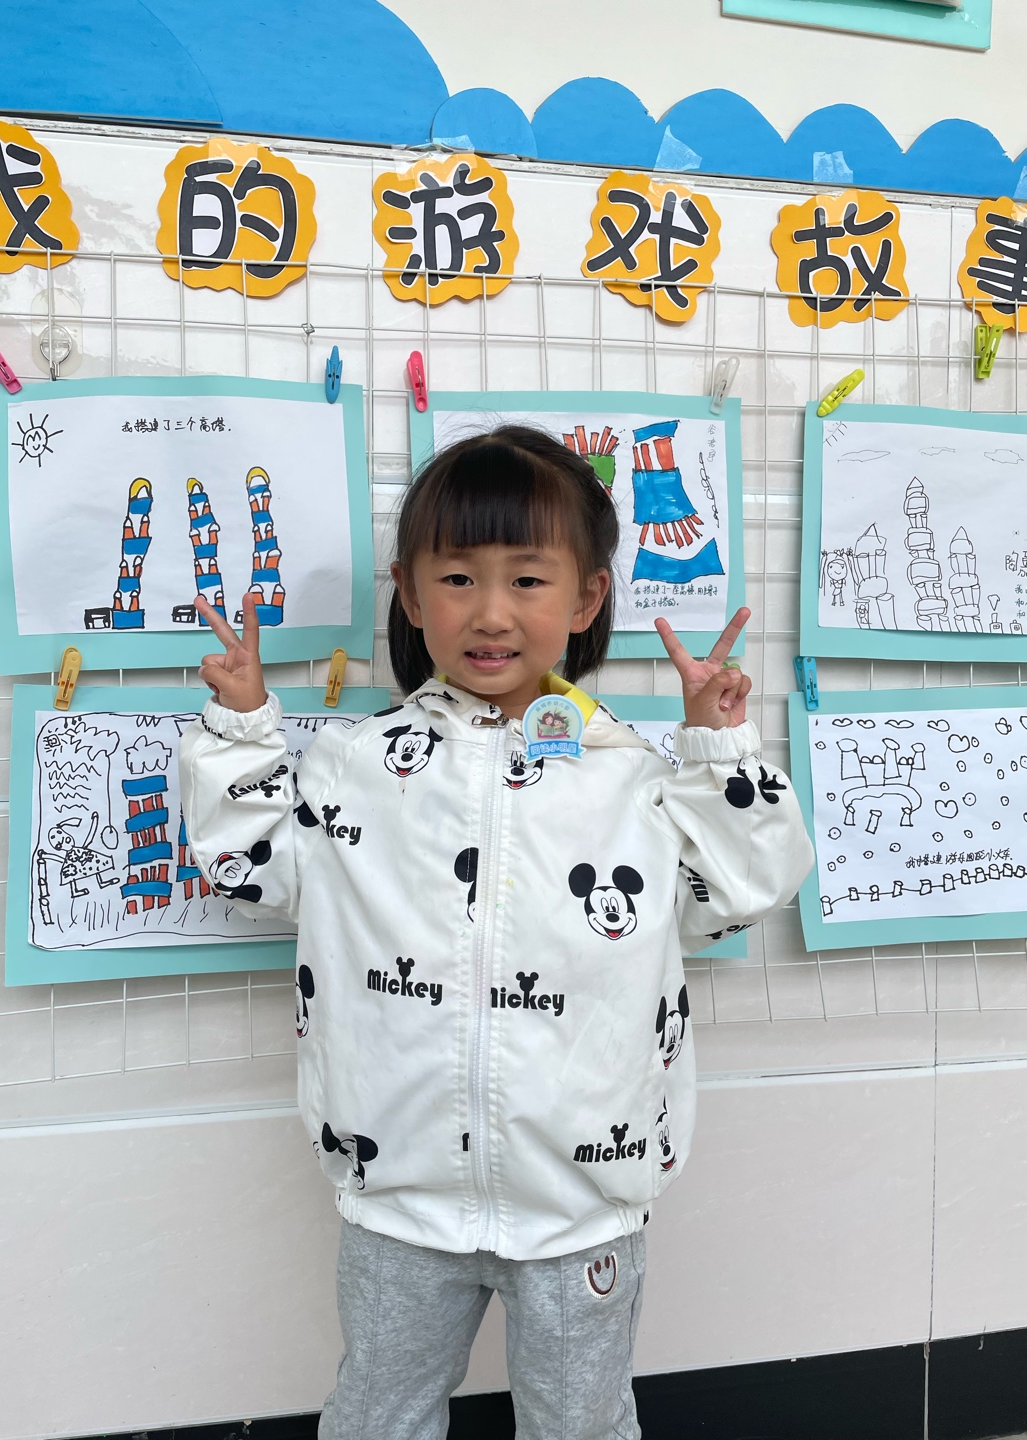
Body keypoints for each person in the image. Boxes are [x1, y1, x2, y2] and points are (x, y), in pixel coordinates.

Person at [179, 425, 813, 1440]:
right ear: (408, 592)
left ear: (587, 598)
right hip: (397, 1200)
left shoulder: (634, 778)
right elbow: (248, 861)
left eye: (526, 579)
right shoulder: (353, 768)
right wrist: (244, 726)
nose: (490, 612)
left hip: (582, 1205)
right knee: (377, 1417)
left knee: (579, 1424)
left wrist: (719, 746)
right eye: (457, 577)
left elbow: (744, 885)